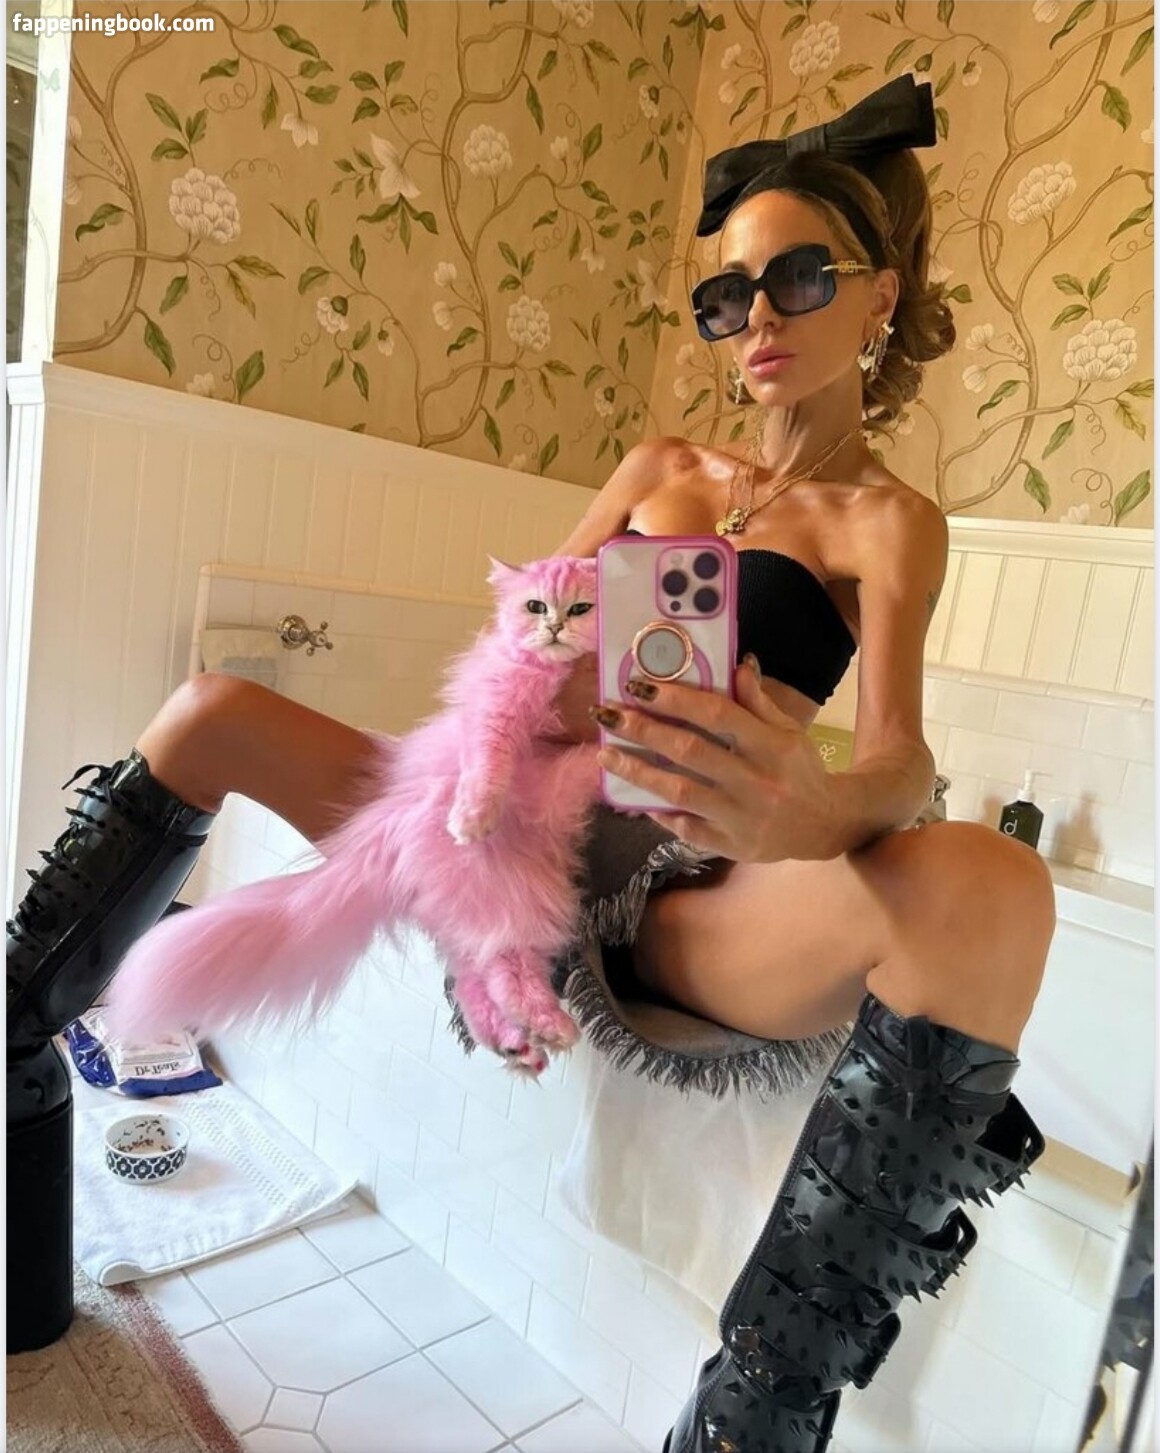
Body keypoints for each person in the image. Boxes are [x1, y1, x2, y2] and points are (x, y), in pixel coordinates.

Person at [6, 75, 1054, 1450]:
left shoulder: (886, 522)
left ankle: (745, 1426)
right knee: (211, 713)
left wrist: (810, 813)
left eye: (801, 279)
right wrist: (543, 677)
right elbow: (517, 629)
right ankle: (13, 1083)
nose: (759, 320)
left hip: (683, 887)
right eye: (727, 295)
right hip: (508, 824)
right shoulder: (660, 464)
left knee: (991, 884)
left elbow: (900, 764)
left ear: (880, 296)